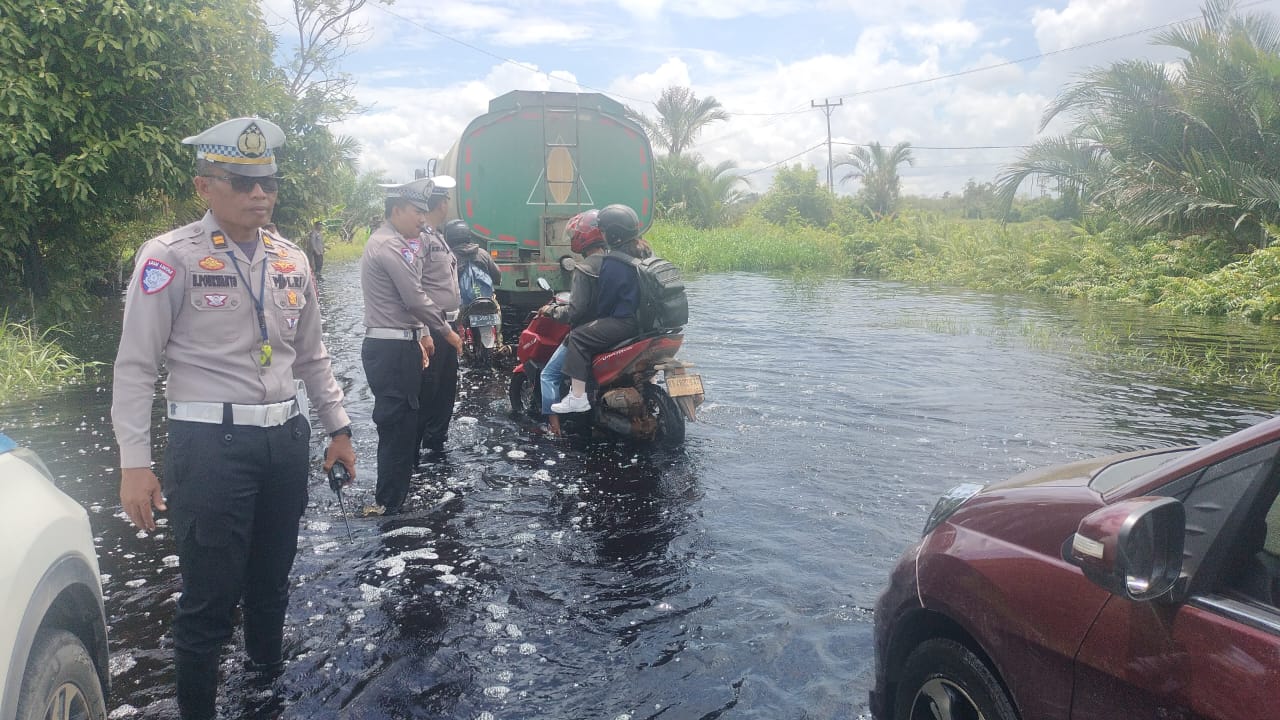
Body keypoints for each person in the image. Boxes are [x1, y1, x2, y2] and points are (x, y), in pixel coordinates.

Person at [110, 117, 356, 720]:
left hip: (284, 439)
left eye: (268, 182)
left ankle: (265, 694)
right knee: (209, 600)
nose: (259, 194)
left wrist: (339, 429)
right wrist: (134, 463)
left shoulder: (292, 259)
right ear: (204, 186)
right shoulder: (169, 258)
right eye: (243, 183)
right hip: (208, 445)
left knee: (271, 584)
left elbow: (312, 356)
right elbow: (136, 366)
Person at [359, 177, 457, 516]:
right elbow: (415, 298)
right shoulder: (390, 246)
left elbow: (408, 302)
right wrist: (446, 331)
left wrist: (423, 333)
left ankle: (395, 497)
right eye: (417, 211)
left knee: (403, 423)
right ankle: (389, 505)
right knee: (397, 426)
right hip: (392, 349)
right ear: (397, 209)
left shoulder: (395, 242)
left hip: (399, 344)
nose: (421, 218)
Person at [550, 204, 645, 414]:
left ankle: (577, 397)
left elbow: (604, 304)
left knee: (578, 337)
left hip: (624, 322)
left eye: (604, 230)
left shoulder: (612, 262)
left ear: (612, 234)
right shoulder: (642, 254)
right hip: (646, 324)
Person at [541, 209, 607, 435]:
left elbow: (575, 312)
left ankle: (554, 428)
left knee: (548, 375)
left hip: (588, 333)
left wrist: (552, 311)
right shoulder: (615, 264)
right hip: (616, 332)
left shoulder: (584, 268)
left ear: (582, 237)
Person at [415, 180, 465, 460]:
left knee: (446, 387)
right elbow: (415, 289)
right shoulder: (421, 238)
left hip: (449, 323)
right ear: (442, 203)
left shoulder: (438, 237)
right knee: (429, 387)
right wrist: (423, 330)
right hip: (433, 326)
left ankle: (436, 443)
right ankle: (418, 447)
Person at [444, 218, 501, 298]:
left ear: (448, 238)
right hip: (485, 302)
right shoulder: (482, 254)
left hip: (458, 303)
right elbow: (497, 276)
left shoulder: (448, 258)